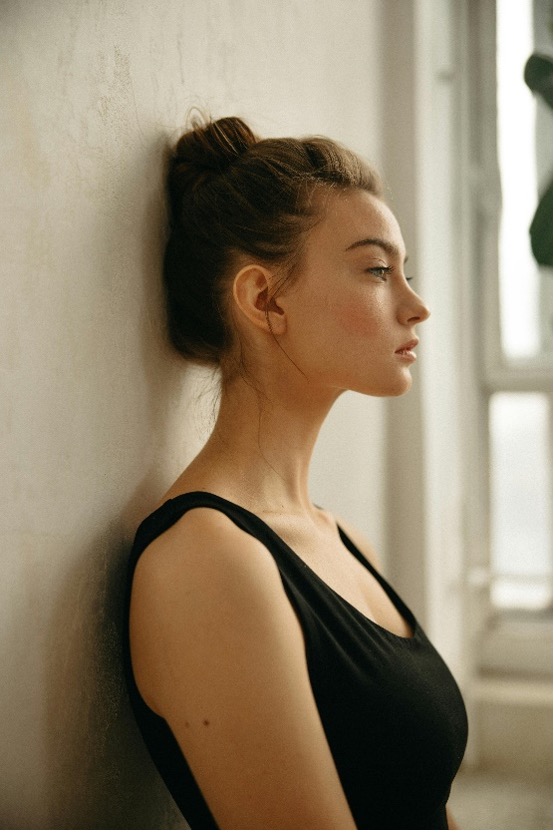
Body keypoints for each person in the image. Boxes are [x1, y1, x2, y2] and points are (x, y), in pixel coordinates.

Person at [124, 115, 467, 830]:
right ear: (264, 300)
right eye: (378, 269)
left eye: (406, 271)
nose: (416, 304)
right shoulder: (206, 564)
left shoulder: (341, 542)